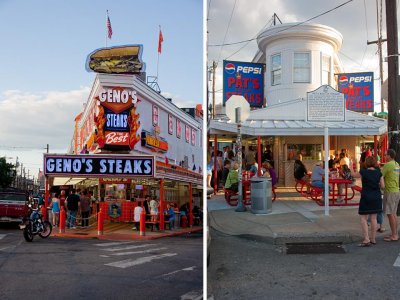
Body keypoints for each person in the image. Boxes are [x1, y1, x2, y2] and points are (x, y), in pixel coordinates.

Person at [358, 156, 384, 246]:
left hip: (366, 196)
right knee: (374, 218)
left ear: (366, 163)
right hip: (376, 196)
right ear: (374, 163)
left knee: (363, 218)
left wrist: (350, 165)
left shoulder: (363, 172)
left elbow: (353, 175)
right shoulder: (379, 173)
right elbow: (383, 186)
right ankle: (373, 239)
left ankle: (366, 239)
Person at [382, 149, 400, 242]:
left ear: (389, 156)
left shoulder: (388, 165)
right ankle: (395, 233)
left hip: (390, 191)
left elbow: (380, 176)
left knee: (390, 214)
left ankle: (394, 235)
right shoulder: (396, 164)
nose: (385, 157)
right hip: (396, 191)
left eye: (385, 155)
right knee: (393, 214)